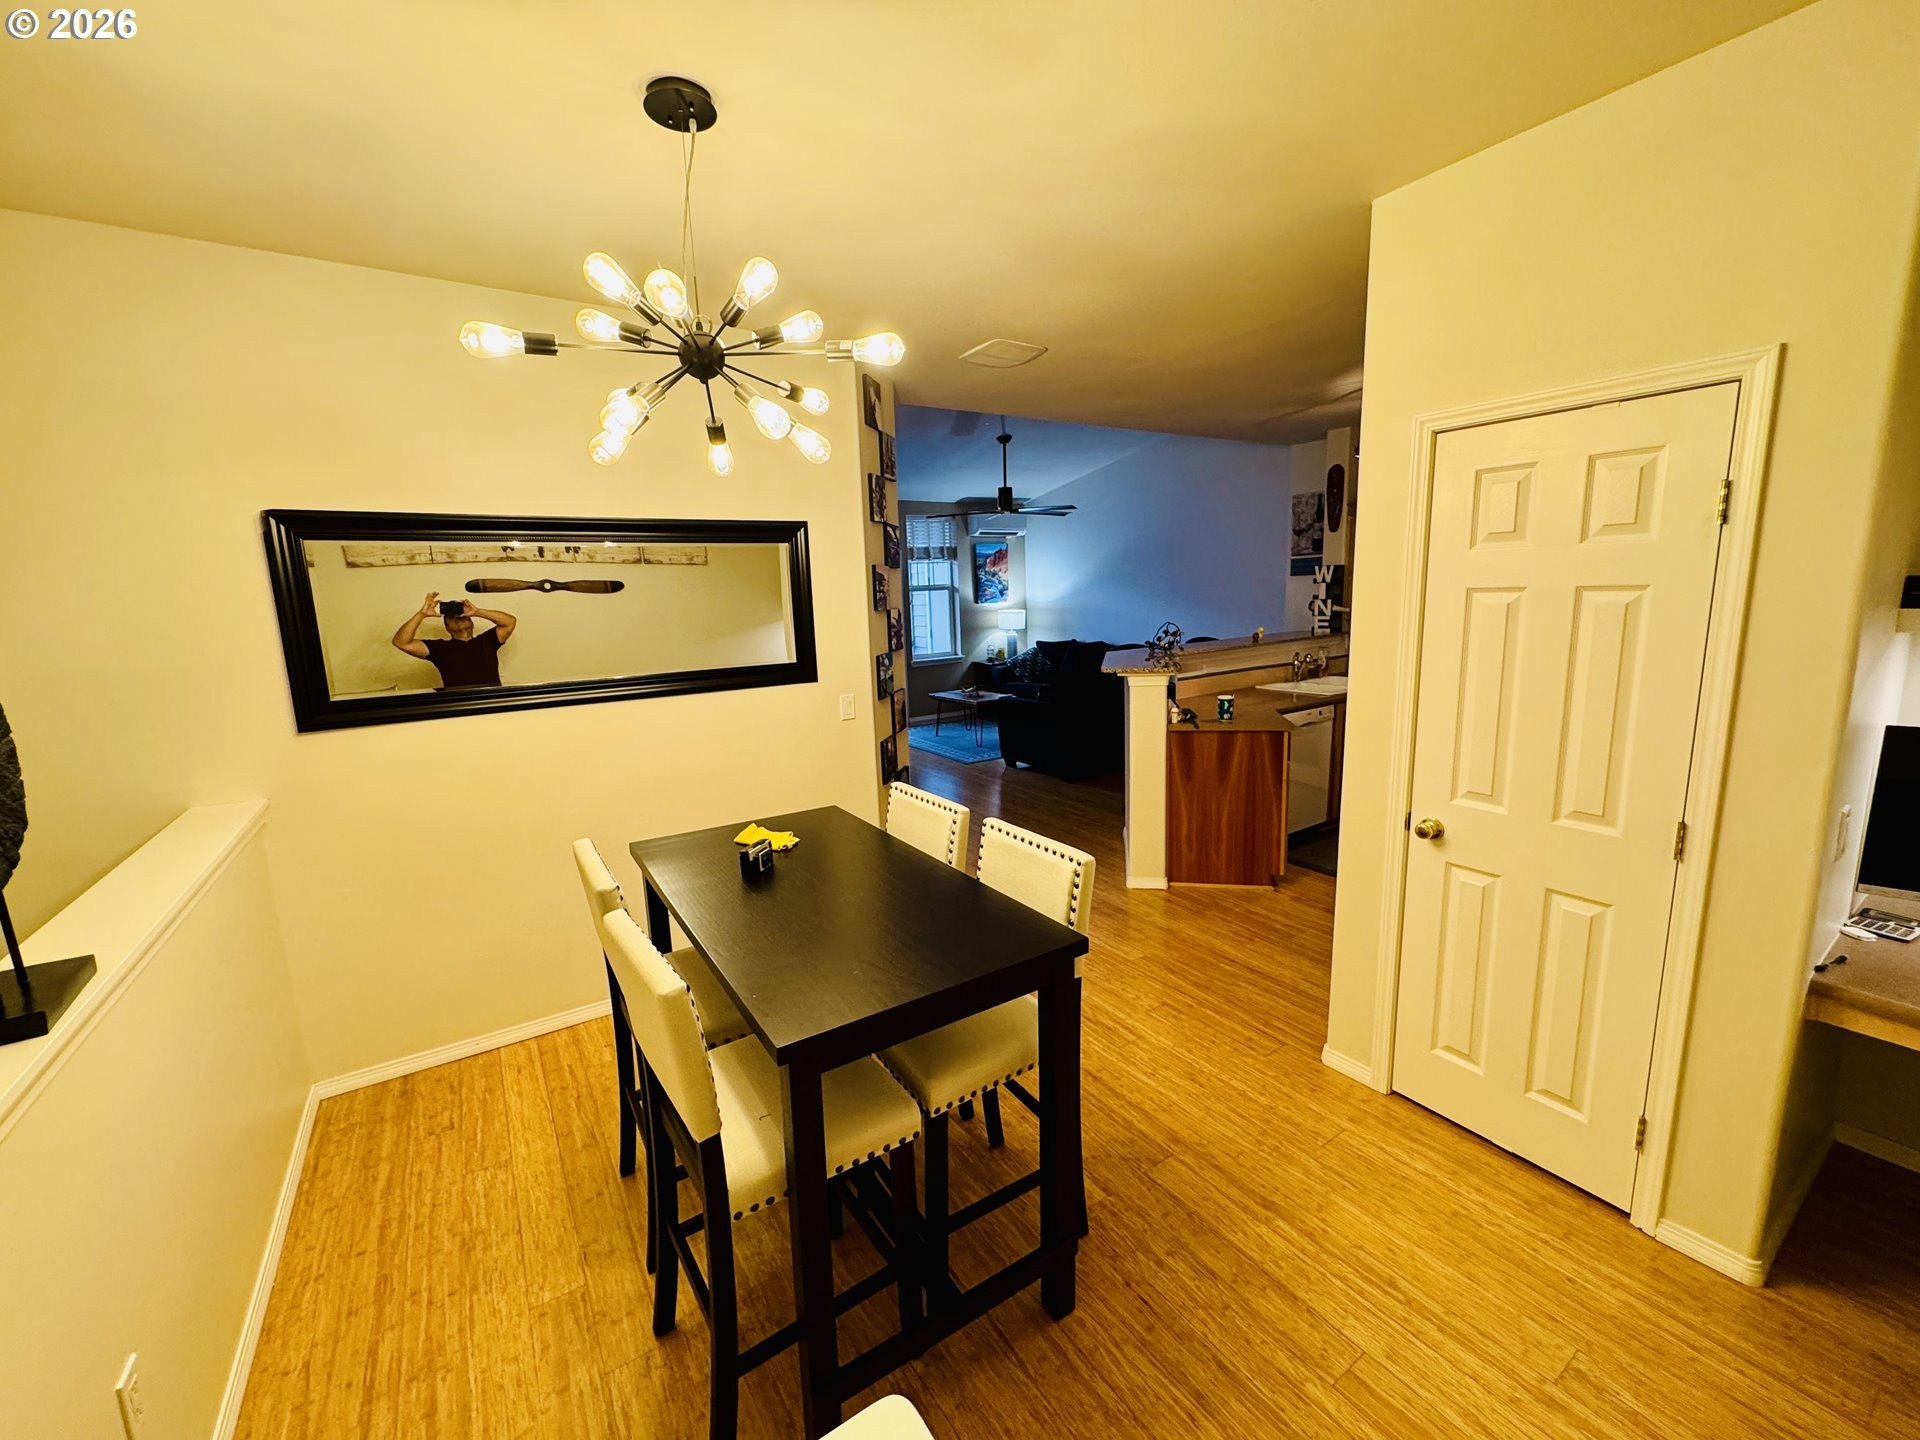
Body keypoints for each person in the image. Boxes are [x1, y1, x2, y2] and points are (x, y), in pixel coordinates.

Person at [391, 592, 516, 689]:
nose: (458, 617)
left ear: (471, 621)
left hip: (492, 703)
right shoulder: (439, 648)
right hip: (459, 705)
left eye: (461, 614)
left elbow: (509, 622)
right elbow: (401, 642)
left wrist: (477, 612)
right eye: (451, 616)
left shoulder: (486, 640)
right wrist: (421, 614)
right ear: (447, 627)